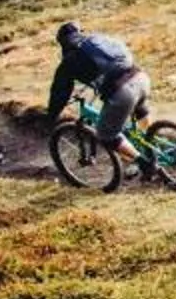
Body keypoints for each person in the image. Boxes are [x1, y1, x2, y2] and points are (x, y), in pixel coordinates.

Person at [48, 21, 151, 192]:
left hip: (122, 91)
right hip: (140, 77)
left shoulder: (70, 60)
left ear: (63, 43)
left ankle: (145, 164)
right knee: (138, 106)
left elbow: (59, 91)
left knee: (106, 134)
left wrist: (52, 115)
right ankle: (150, 145)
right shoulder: (97, 40)